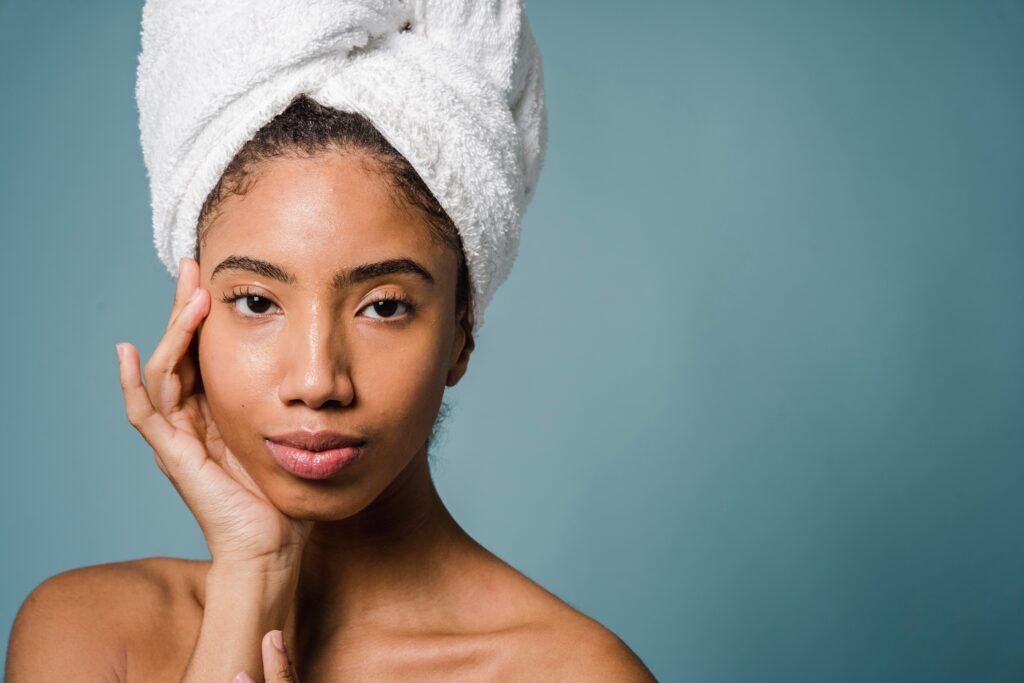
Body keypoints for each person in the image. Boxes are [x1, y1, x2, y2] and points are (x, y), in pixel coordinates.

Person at [5, 10, 657, 681]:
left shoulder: (574, 671)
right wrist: (253, 570)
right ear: (192, 320)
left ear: (461, 332)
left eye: (384, 306)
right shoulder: (86, 634)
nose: (317, 380)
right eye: (257, 301)